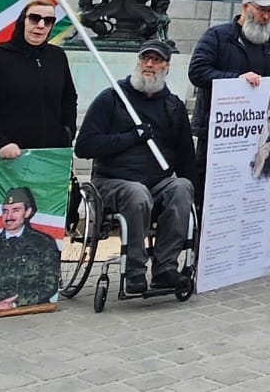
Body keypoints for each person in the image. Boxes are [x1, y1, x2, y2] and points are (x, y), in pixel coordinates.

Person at [74, 40, 197, 297]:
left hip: (157, 181)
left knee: (182, 188)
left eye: (156, 60)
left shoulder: (172, 106)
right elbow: (84, 146)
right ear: (138, 62)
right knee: (137, 193)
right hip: (113, 181)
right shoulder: (112, 99)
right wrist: (130, 137)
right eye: (145, 59)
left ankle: (165, 267)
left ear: (167, 66)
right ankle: (134, 271)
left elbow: (185, 157)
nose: (149, 65)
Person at [188, 0, 270, 210]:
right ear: (245, 7)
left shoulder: (267, 44)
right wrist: (236, 80)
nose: (266, 16)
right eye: (261, 10)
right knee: (209, 191)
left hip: (251, 133)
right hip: (217, 130)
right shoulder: (218, 36)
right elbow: (197, 72)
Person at [0, 0, 77, 158]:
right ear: (23, 21)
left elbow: (68, 98)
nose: (40, 25)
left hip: (50, 154)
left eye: (48, 21)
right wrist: (0, 142)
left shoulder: (57, 56)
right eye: (34, 18)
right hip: (7, 155)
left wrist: (68, 132)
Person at [0, 186, 63, 313]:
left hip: (30, 313)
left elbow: (50, 284)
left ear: (27, 212)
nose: (9, 216)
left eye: (16, 210)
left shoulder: (44, 244)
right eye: (5, 211)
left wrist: (15, 305)